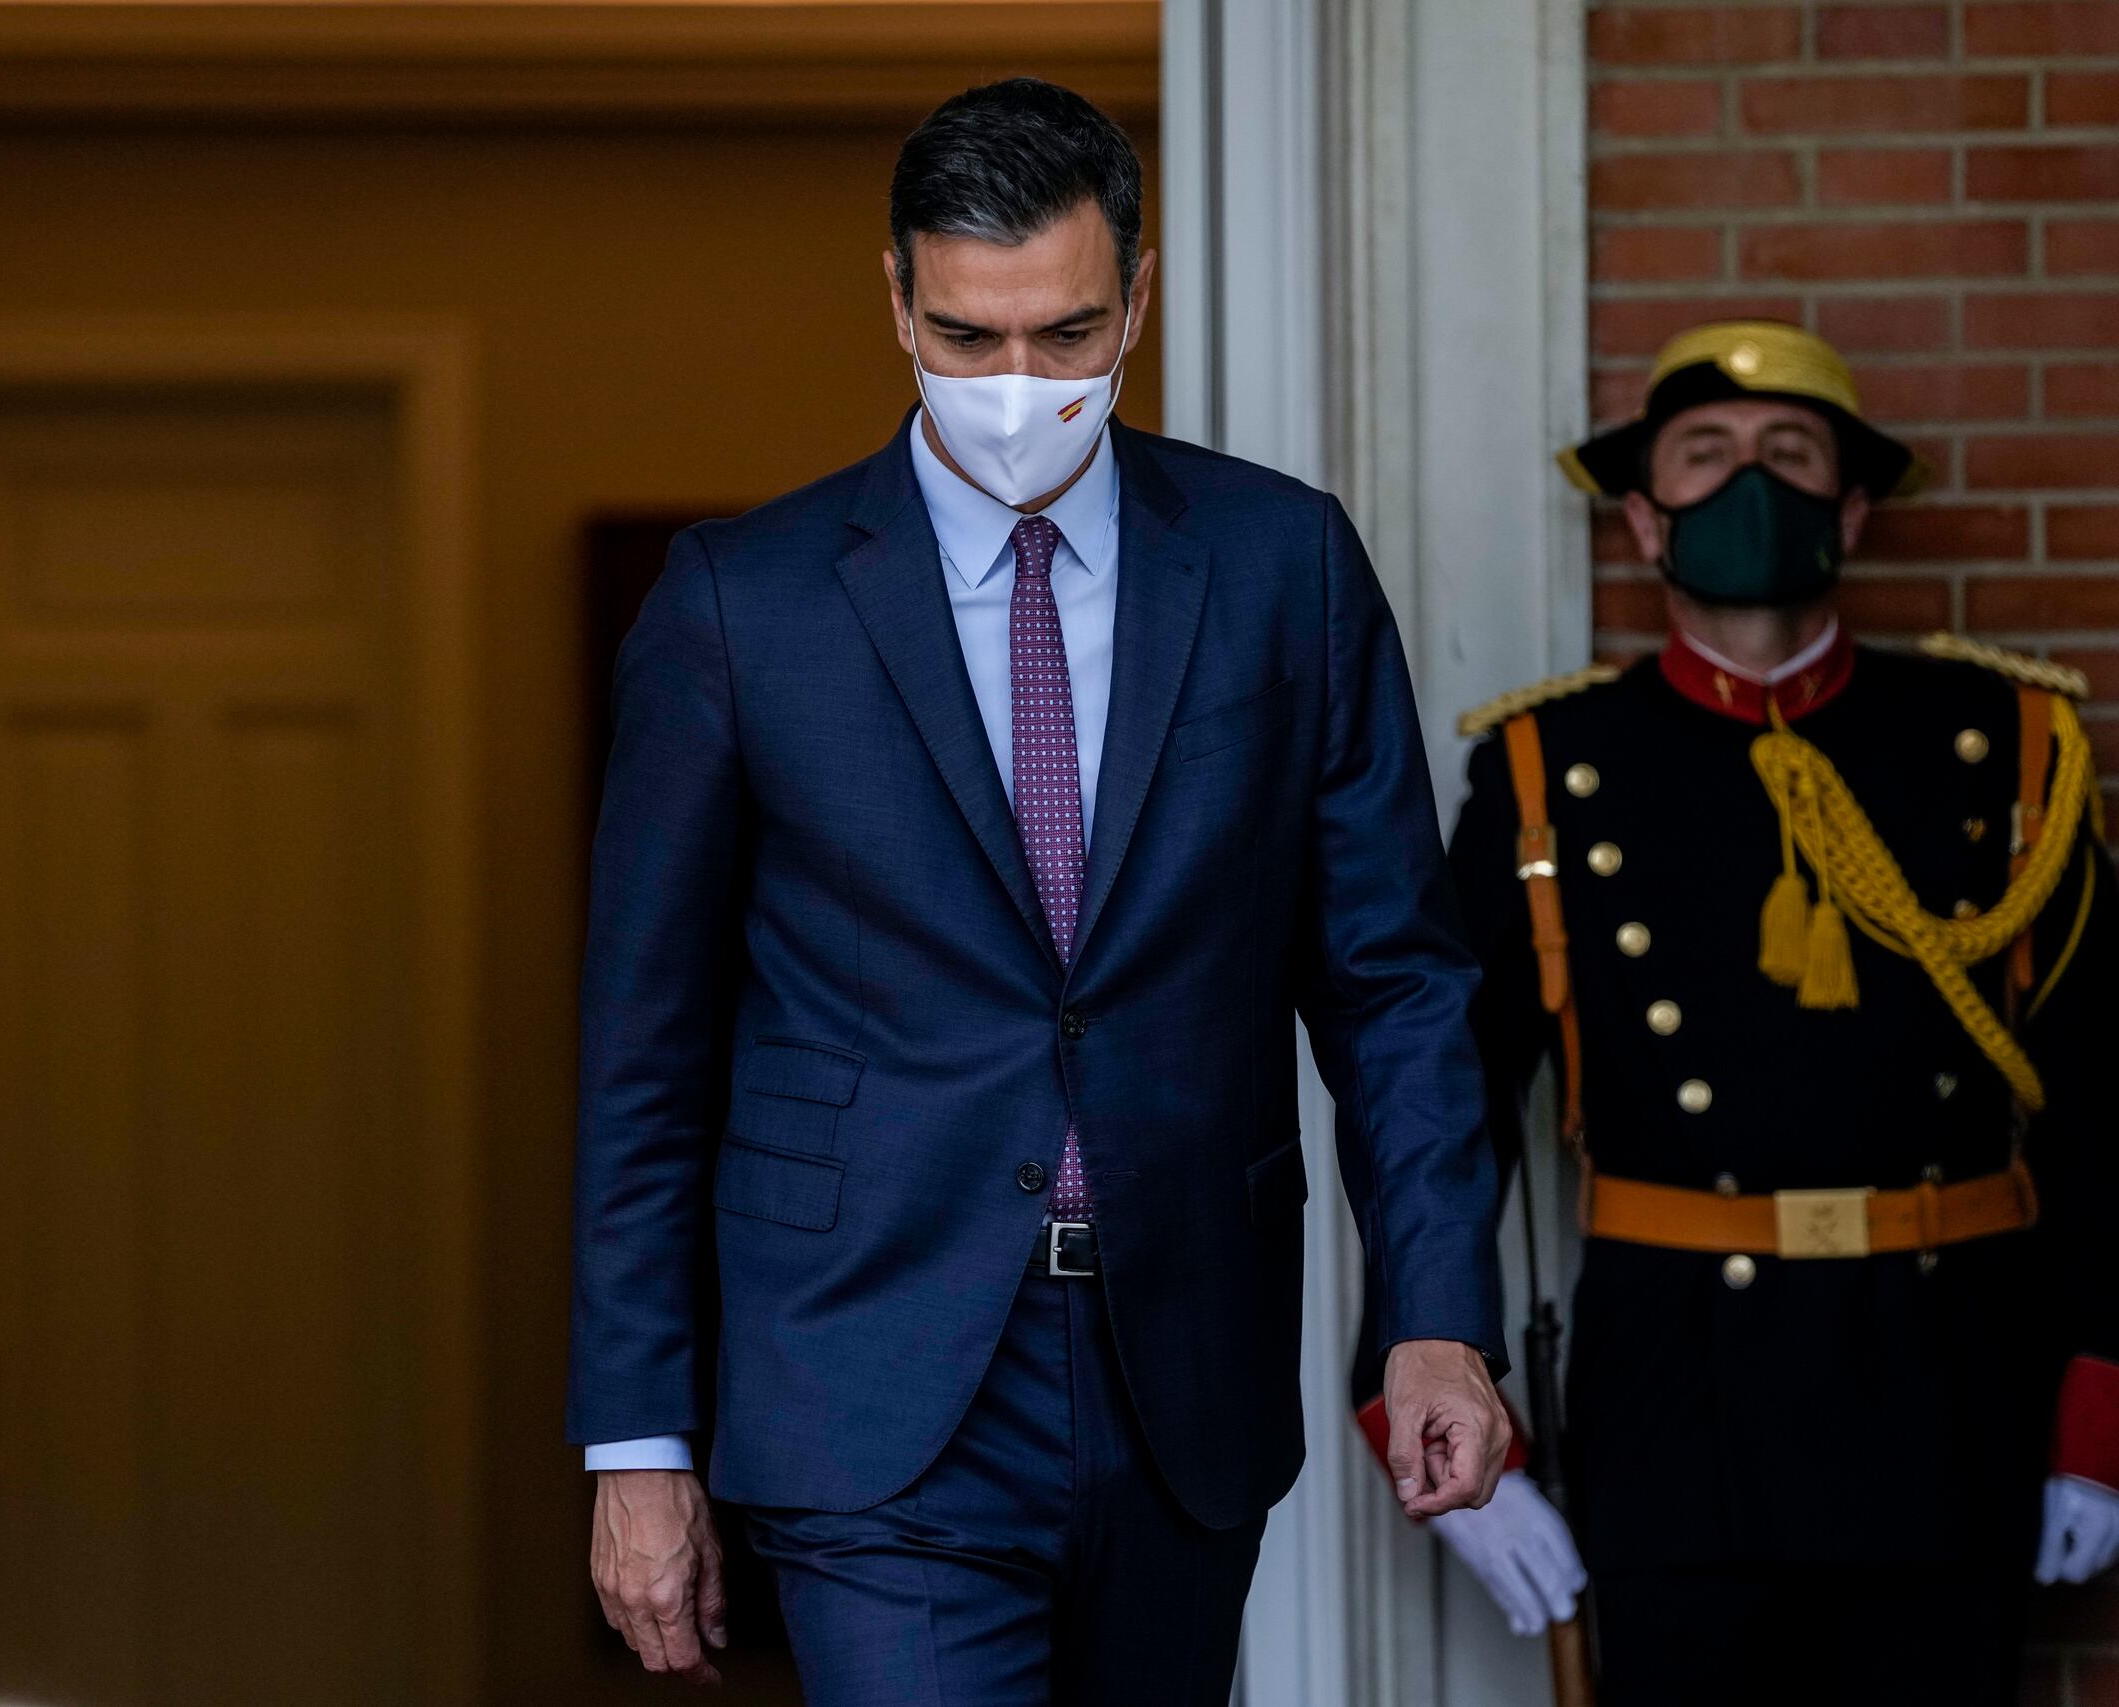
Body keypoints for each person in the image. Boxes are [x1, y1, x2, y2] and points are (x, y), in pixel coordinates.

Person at [568, 78, 1512, 1704]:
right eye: (968, 337)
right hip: (869, 1373)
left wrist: (1439, 1314)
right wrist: (637, 1438)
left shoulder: (1283, 568)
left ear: (1137, 297)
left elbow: (1395, 983)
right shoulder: (742, 605)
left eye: (1067, 338)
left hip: (1183, 1362)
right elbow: (646, 1049)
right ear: (896, 298)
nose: (1017, 386)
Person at [1349, 319, 2119, 1705]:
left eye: (1789, 454)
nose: (1746, 485)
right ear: (1644, 518)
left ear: (1854, 505)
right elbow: (1440, 1112)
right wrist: (1438, 1410)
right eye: (1704, 457)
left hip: (1947, 1391)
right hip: (1676, 1403)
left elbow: (2106, 1096)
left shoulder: (2004, 748)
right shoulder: (1548, 773)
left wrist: (2101, 1409)